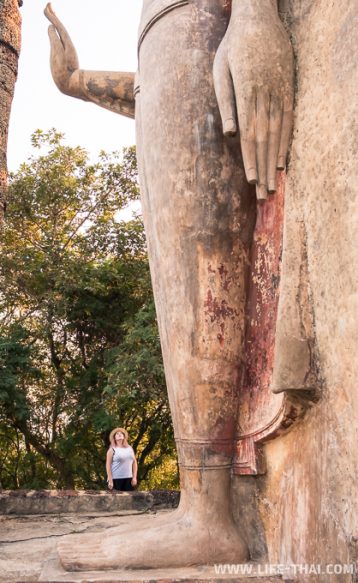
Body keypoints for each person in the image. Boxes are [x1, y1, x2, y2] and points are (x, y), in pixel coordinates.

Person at [44, 0, 293, 571]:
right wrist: (78, 83)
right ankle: (197, 504)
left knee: (206, 271)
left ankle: (208, 514)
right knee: (181, 294)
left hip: (211, 22)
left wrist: (255, 14)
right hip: (174, 52)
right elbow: (165, 85)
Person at [106, 428, 138, 492]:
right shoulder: (112, 450)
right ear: (114, 438)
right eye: (117, 434)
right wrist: (110, 480)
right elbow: (108, 465)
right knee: (117, 501)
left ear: (124, 437)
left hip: (129, 479)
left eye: (121, 433)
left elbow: (134, 463)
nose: (119, 434)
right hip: (116, 479)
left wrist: (134, 477)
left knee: (129, 500)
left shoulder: (129, 448)